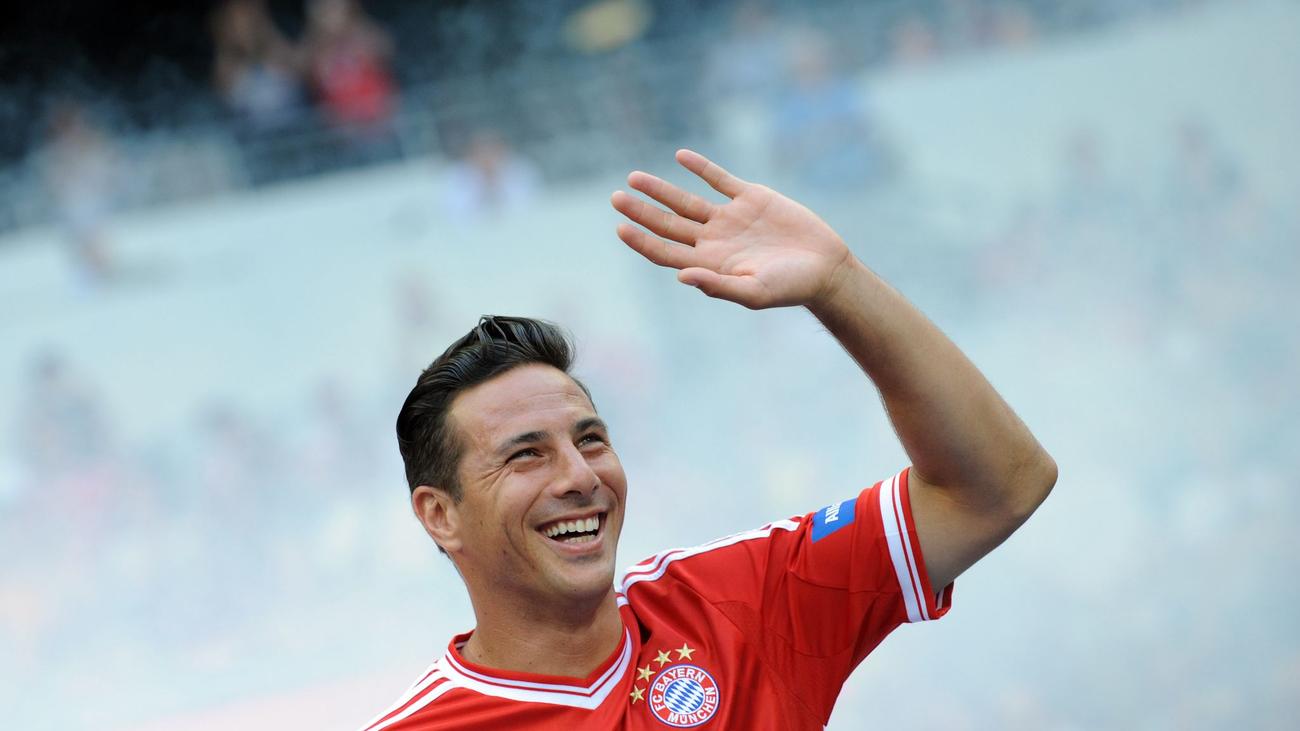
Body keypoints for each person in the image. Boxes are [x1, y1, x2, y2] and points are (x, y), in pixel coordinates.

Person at [361, 150, 1057, 730]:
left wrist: (841, 285)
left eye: (591, 439)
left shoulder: (736, 602)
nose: (579, 475)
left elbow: (998, 487)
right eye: (525, 454)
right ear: (440, 514)